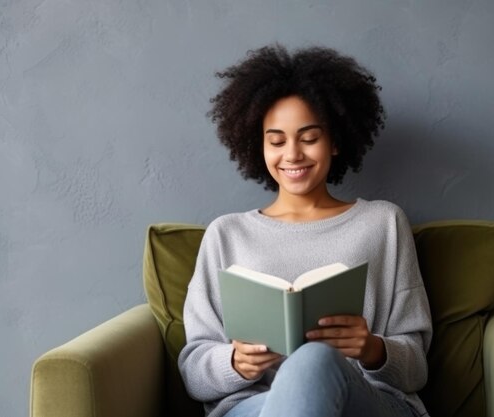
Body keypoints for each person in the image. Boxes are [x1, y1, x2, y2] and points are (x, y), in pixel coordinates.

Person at [178, 44, 432, 417]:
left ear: (336, 142)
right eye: (276, 141)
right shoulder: (226, 235)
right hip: (254, 407)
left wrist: (371, 348)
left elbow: (417, 367)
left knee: (314, 359)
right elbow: (194, 373)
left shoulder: (383, 223)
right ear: (257, 145)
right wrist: (234, 362)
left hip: (366, 403)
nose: (292, 154)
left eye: (309, 138)